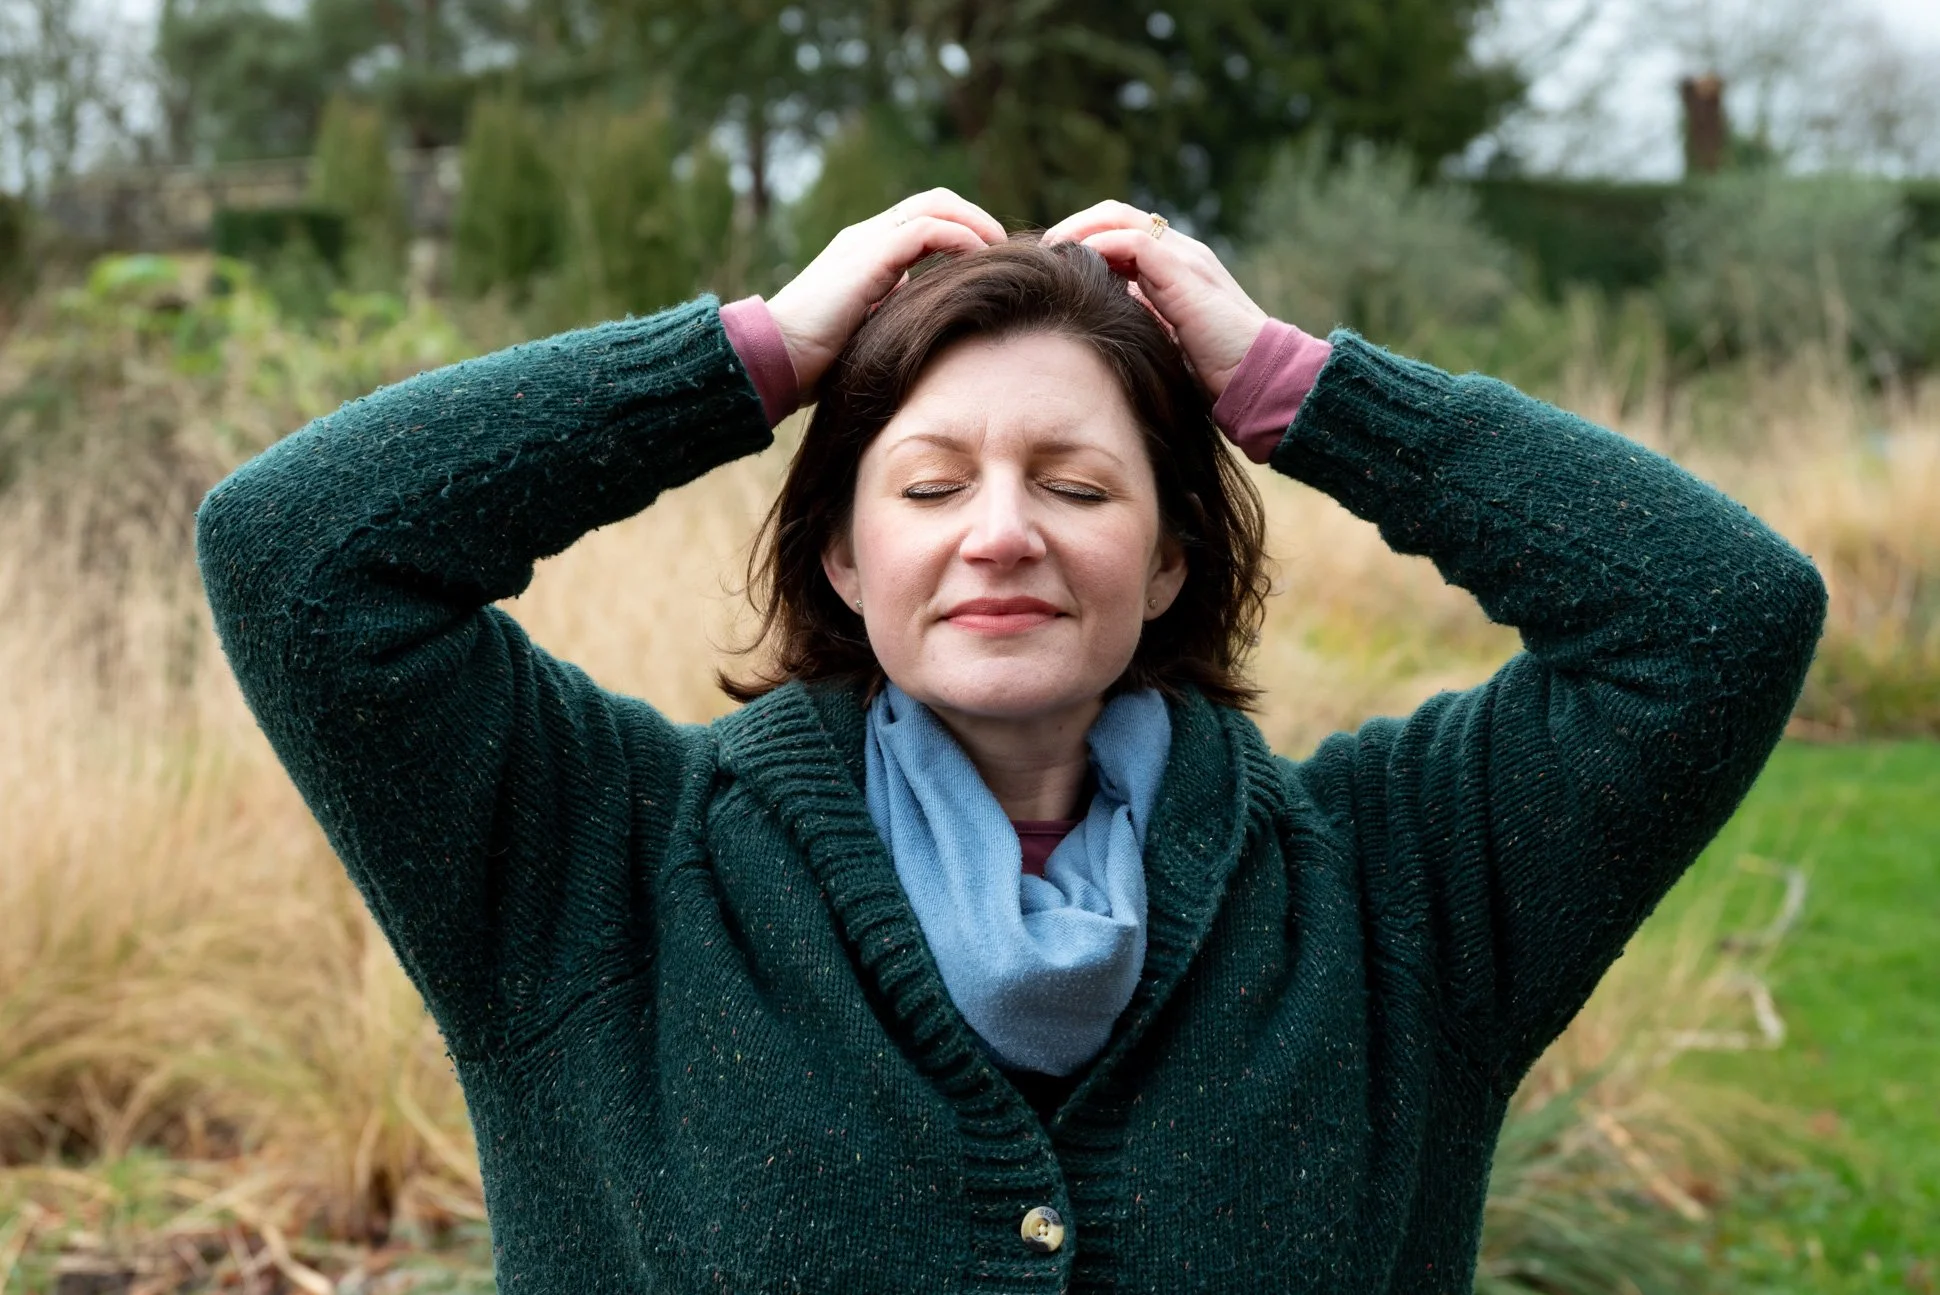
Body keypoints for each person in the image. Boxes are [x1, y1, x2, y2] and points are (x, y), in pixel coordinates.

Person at [195, 188, 1827, 1293]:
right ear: (841, 552)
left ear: (1173, 555)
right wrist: (747, 356)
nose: (1000, 535)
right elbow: (301, 554)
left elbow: (1715, 616)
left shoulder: (1396, 889)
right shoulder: (602, 866)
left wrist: (1292, 386)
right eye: (927, 483)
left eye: (1076, 482)